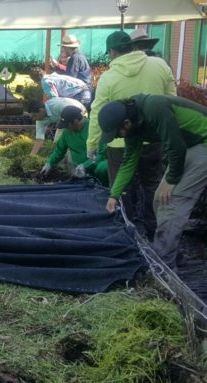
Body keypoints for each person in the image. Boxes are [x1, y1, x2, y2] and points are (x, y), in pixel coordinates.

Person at [98, 94, 207, 270]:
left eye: (117, 132)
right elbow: (128, 162)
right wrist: (114, 195)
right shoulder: (133, 127)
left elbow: (175, 145)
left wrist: (172, 180)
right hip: (189, 146)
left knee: (172, 200)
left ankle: (164, 268)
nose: (118, 136)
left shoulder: (154, 107)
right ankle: (167, 252)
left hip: (203, 141)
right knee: (159, 198)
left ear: (126, 123)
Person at [87, 31, 176, 240]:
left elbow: (97, 111)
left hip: (120, 142)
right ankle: (156, 232)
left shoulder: (109, 78)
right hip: (155, 139)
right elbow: (172, 100)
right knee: (153, 185)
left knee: (121, 188)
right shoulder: (160, 66)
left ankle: (126, 234)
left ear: (112, 52)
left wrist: (91, 144)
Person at [39, 106, 108, 186]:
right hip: (79, 171)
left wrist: (85, 166)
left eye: (67, 125)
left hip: (96, 166)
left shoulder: (94, 128)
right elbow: (59, 150)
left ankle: (105, 188)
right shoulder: (66, 132)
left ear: (75, 121)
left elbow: (101, 154)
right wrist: (49, 164)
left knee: (103, 168)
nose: (65, 128)